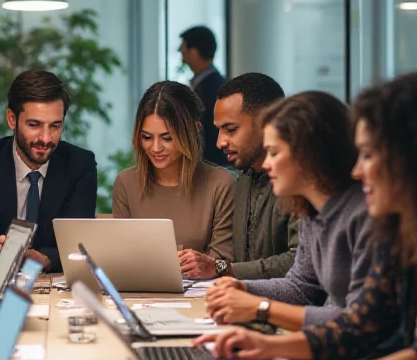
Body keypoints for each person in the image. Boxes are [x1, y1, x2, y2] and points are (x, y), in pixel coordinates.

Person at [195, 73, 417, 360]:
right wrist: (267, 346)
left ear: (415, 159)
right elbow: (361, 323)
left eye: (369, 155)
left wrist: (264, 313)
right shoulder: (405, 236)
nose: (357, 170)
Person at [205, 91, 373, 331]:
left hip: (350, 359)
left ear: (309, 154)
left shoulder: (361, 215)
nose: (265, 164)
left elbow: (357, 320)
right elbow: (302, 286)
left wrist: (259, 307)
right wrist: (244, 288)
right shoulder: (312, 211)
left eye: (273, 153)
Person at [0, 69, 97, 274]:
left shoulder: (80, 165)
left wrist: (42, 259)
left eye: (55, 126)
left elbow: (78, 245)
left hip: (55, 288)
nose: (46, 138)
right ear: (12, 119)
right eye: (34, 125)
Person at [112, 81, 234, 275]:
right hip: (139, 296)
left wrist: (207, 265)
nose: (156, 148)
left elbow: (223, 264)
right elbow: (121, 258)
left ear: (193, 130)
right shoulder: (126, 184)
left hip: (202, 297)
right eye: (147, 137)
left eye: (167, 138)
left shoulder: (221, 184)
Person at [201, 72, 298, 280]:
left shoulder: (298, 180)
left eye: (230, 129)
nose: (220, 142)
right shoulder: (244, 179)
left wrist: (223, 268)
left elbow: (299, 263)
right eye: (219, 130)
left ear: (267, 123)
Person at [179, 25, 228, 167]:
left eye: (183, 51)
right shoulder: (212, 85)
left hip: (210, 166)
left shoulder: (211, 90)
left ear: (194, 52)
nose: (182, 57)